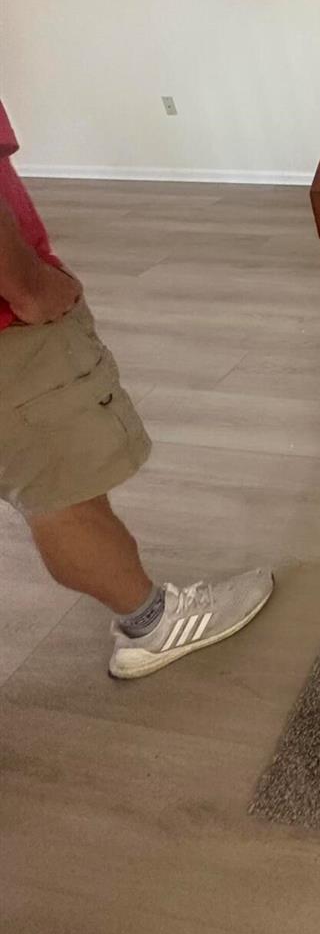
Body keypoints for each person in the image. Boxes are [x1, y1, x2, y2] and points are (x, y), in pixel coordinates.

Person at [0, 100, 272, 678]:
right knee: (62, 494)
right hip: (9, 334)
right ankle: (152, 625)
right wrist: (31, 288)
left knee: (51, 485)